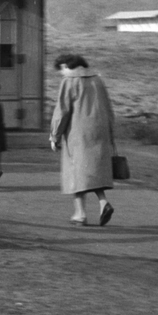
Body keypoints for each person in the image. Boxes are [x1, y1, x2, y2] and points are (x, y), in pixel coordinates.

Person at [50, 53, 117, 225]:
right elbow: (108, 108)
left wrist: (55, 135)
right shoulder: (97, 80)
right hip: (100, 131)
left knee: (76, 172)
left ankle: (80, 214)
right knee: (94, 170)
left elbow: (62, 111)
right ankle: (103, 203)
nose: (62, 74)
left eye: (61, 70)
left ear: (66, 66)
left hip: (77, 133)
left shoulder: (70, 81)